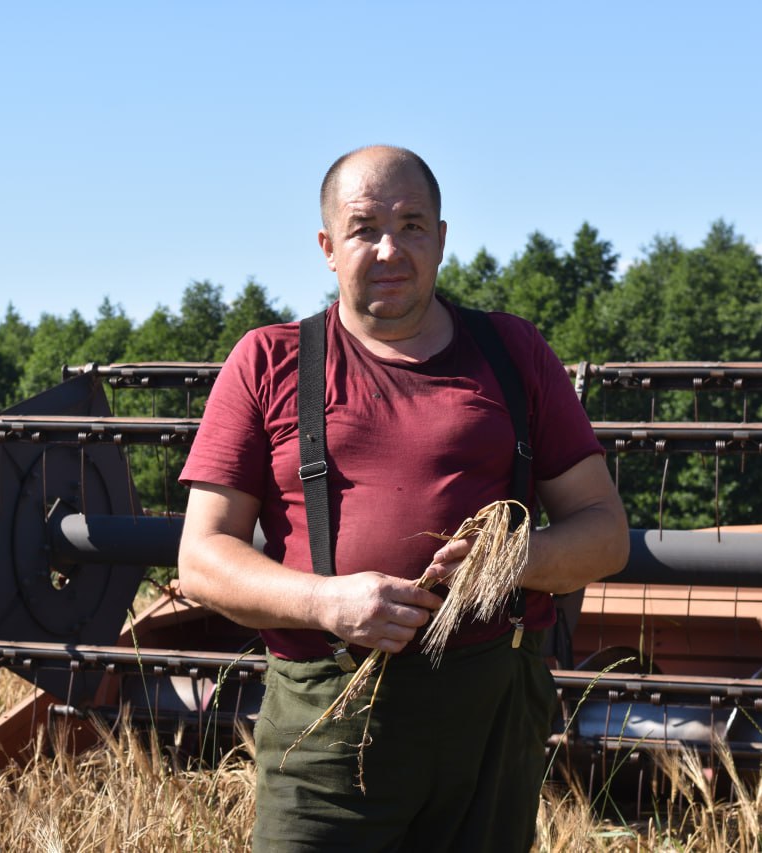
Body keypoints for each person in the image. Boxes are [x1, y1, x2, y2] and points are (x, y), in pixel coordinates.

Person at [177, 145, 629, 852]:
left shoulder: (514, 353)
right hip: (328, 725)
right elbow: (201, 560)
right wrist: (327, 602)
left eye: (413, 225)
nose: (391, 249)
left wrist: (512, 560)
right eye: (364, 228)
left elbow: (605, 533)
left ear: (442, 239)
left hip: (491, 720)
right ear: (327, 247)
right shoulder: (267, 361)